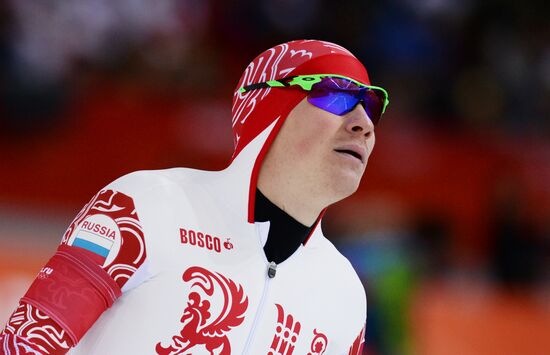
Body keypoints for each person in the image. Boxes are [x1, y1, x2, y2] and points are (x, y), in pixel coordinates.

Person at [0, 39, 389, 355]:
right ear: (268, 108)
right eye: (337, 96)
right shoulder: (147, 204)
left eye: (372, 106)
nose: (364, 124)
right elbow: (25, 344)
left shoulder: (344, 293)